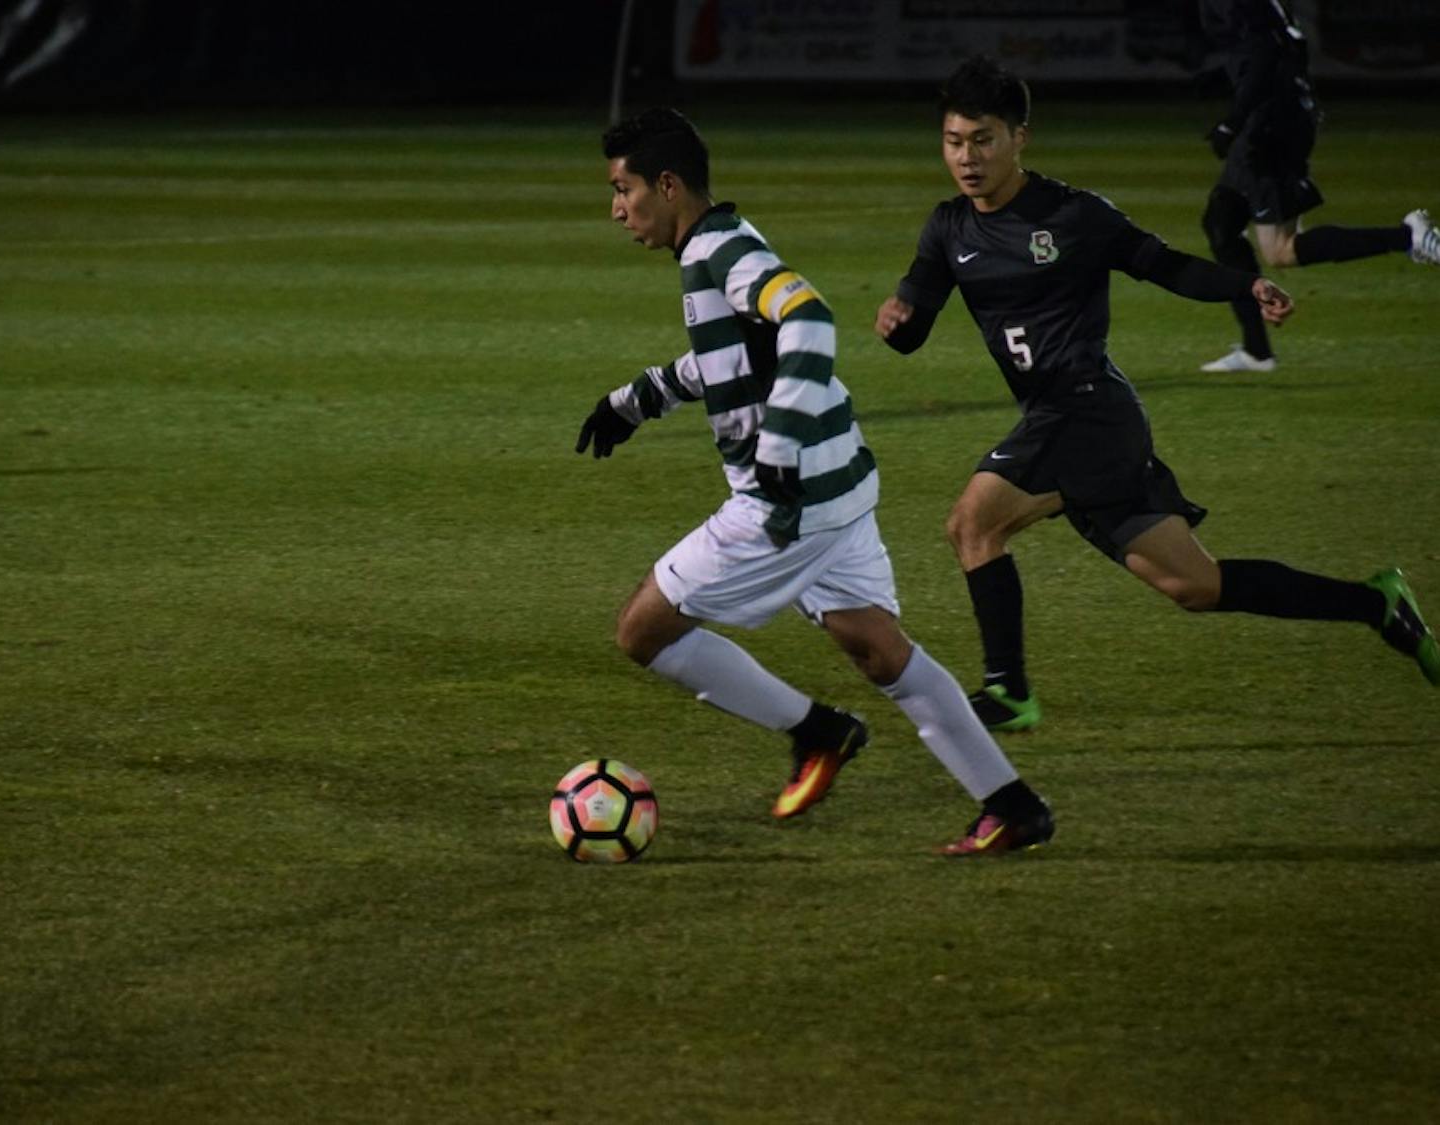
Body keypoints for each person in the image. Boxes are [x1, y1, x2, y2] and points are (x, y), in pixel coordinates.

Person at [874, 55, 1439, 733]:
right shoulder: (948, 227)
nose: (967, 158)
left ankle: (1009, 690)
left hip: (1085, 410)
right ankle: (1375, 603)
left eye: (983, 140)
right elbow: (915, 325)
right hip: (1074, 421)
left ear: (1019, 137)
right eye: (954, 142)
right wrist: (896, 324)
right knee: (1195, 586)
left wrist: (1246, 286)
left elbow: (1162, 264)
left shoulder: (1074, 214)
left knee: (973, 522)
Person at [575, 106, 1053, 855]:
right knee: (878, 649)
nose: (615, 209)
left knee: (644, 629)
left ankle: (817, 731)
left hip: (787, 502)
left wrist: (781, 439)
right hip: (840, 482)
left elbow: (810, 318)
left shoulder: (720, 253)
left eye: (622, 188)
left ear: (666, 185)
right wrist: (636, 400)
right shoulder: (722, 239)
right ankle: (1013, 803)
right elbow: (738, 360)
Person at [1197, 0, 1439, 373]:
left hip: (1269, 122)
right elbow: (1284, 46)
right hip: (1278, 114)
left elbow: (1264, 53)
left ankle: (1408, 237)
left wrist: (1235, 120)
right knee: (1221, 221)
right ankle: (1256, 351)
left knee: (1280, 251)